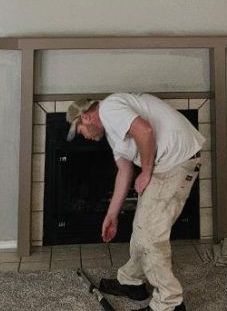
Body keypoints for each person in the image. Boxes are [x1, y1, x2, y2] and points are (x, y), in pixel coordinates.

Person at [66, 93, 203, 311]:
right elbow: (124, 171)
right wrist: (111, 215)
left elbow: (145, 130)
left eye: (79, 131)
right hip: (165, 164)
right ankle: (131, 282)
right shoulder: (112, 132)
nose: (83, 136)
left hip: (176, 161)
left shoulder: (109, 109)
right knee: (141, 228)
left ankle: (170, 303)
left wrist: (146, 171)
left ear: (86, 117)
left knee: (150, 235)